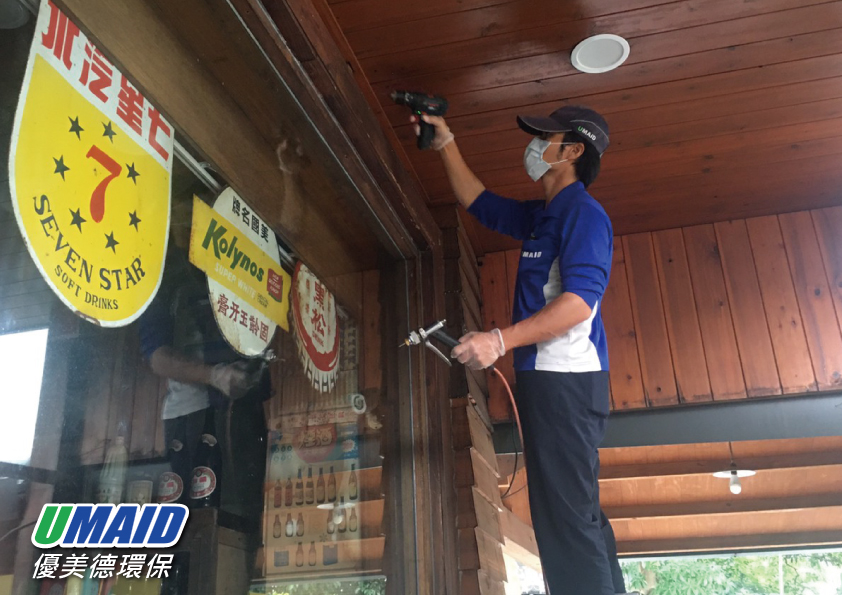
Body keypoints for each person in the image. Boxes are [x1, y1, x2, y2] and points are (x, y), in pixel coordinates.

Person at [414, 106, 637, 595]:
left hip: (566, 383)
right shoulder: (544, 215)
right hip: (553, 383)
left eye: (544, 137)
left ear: (572, 151)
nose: (533, 145)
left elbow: (579, 304)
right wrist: (445, 141)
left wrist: (498, 341)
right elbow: (478, 201)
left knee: (565, 520)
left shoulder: (584, 214)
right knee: (575, 514)